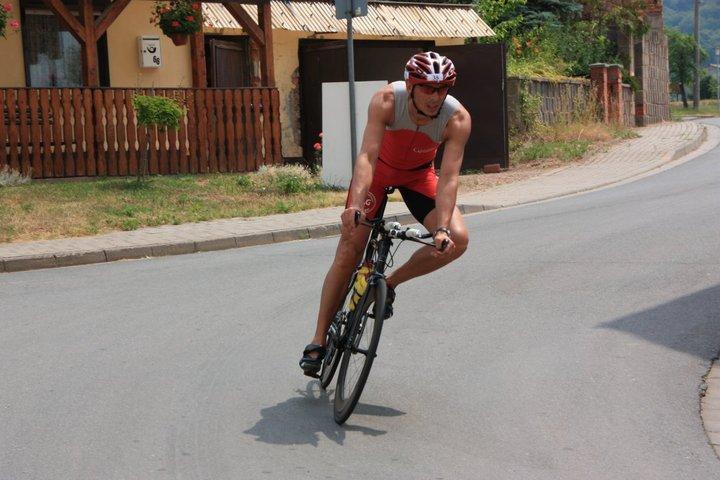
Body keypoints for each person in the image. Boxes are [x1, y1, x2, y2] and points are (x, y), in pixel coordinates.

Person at [300, 51, 471, 376]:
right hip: (378, 174)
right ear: (412, 85)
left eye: (442, 89)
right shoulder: (387, 100)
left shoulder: (457, 119)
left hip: (419, 177)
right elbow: (367, 155)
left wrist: (442, 229)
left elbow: (449, 177)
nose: (435, 97)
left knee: (458, 240)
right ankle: (318, 338)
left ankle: (387, 285)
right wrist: (354, 205)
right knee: (349, 249)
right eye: (428, 88)